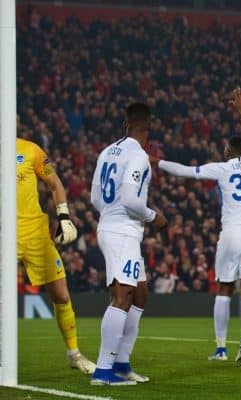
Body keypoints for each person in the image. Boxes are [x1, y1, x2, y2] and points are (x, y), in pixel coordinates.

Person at [155, 88, 241, 364]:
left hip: (231, 233)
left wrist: (157, 162)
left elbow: (185, 171)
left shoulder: (222, 168)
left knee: (225, 288)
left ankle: (220, 348)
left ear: (228, 151)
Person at [90, 102, 167, 385]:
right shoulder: (139, 156)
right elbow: (132, 200)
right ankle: (103, 370)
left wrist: (112, 215)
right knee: (122, 296)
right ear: (147, 128)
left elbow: (95, 199)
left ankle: (121, 363)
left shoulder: (106, 152)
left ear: (126, 125)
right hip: (122, 232)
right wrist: (153, 216)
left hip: (112, 227)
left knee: (140, 294)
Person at [16, 137, 96, 374]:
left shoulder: (29, 149)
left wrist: (63, 217)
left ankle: (74, 354)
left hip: (35, 233)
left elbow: (55, 183)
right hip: (4, 234)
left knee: (61, 295)